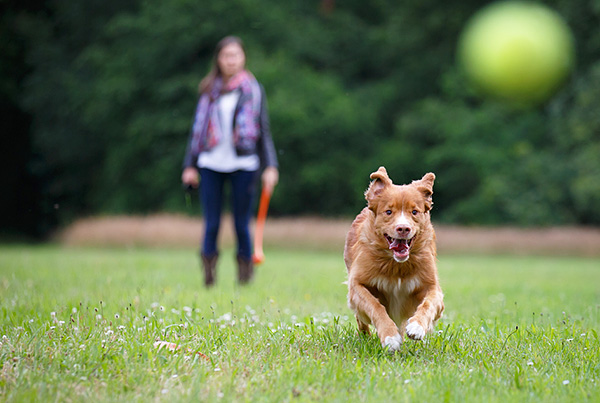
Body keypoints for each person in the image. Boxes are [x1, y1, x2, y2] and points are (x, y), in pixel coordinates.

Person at [182, 36, 279, 287]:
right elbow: (197, 130)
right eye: (226, 56)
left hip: (244, 164)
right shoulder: (208, 90)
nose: (231, 60)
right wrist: (189, 166)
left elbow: (263, 130)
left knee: (240, 223)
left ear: (243, 58)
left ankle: (245, 276)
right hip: (210, 162)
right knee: (211, 222)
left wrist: (271, 166)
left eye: (235, 55)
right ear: (218, 59)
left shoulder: (253, 90)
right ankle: (208, 275)